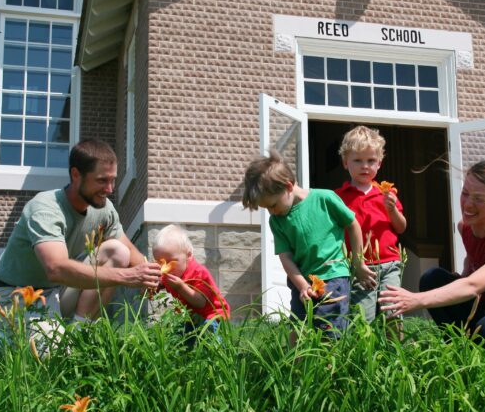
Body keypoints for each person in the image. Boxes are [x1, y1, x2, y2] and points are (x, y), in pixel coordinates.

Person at [379, 160, 485, 352]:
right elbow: (469, 274)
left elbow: (473, 285)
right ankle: (461, 350)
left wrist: (416, 300)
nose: (468, 204)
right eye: (465, 193)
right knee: (433, 278)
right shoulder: (466, 228)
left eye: (479, 198)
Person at [0, 139, 161, 324]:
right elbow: (56, 268)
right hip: (18, 295)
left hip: (61, 291)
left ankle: (79, 333)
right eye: (102, 180)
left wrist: (154, 278)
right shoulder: (45, 208)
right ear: (76, 174)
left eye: (113, 180)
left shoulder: (104, 209)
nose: (109, 189)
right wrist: (129, 276)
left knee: (118, 251)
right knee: (48, 354)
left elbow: (129, 250)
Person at [241, 151, 376, 338]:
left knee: (330, 330)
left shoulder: (324, 199)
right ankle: (295, 367)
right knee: (298, 329)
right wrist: (302, 285)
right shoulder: (278, 221)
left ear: (288, 187)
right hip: (302, 283)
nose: (271, 212)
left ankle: (330, 366)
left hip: (333, 276)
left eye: (273, 205)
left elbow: (352, 224)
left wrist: (358, 263)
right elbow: (286, 257)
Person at [334, 126, 407, 328]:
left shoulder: (386, 193)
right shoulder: (339, 197)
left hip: (389, 262)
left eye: (371, 161)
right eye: (358, 160)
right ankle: (362, 356)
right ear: (345, 162)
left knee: (392, 312)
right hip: (361, 266)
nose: (365, 166)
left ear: (379, 163)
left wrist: (392, 210)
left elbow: (401, 228)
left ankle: (395, 356)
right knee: (362, 316)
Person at [151, 224, 230, 345]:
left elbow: (200, 303)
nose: (164, 268)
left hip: (211, 315)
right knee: (180, 338)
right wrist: (155, 286)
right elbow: (159, 284)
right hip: (190, 317)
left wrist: (181, 287)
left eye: (170, 261)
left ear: (188, 255)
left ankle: (219, 356)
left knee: (209, 336)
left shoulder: (199, 273)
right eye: (160, 262)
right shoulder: (170, 274)